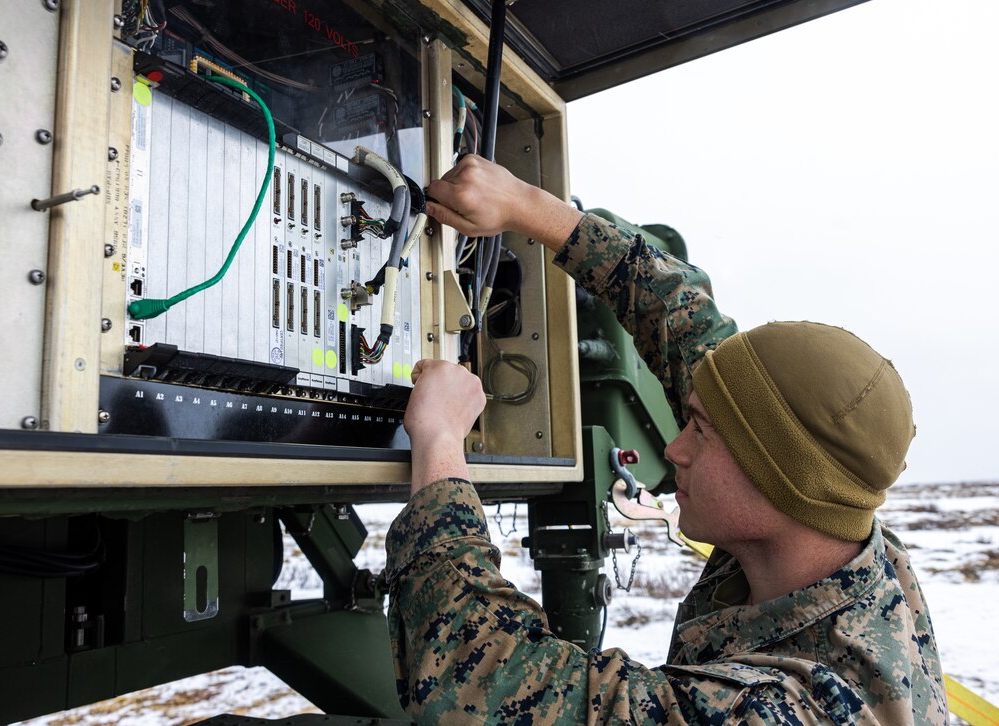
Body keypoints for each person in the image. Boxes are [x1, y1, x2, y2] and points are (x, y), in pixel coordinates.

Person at [384, 155, 948, 724]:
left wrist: (439, 442)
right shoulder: (841, 535)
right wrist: (527, 207)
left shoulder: (778, 712)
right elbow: (681, 320)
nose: (674, 450)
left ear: (776, 480)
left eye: (699, 431)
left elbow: (480, 676)